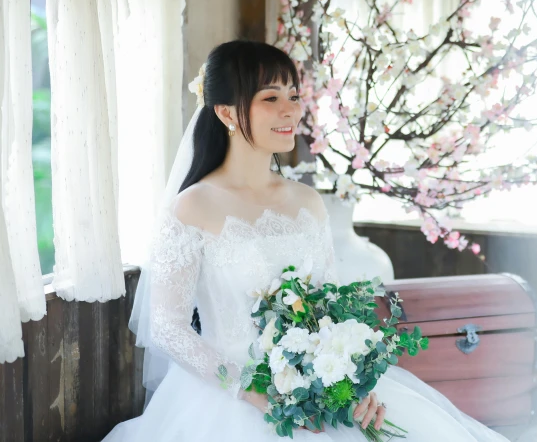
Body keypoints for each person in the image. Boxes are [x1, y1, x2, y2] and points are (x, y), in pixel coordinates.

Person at [103, 40, 510, 441]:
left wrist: (354, 385)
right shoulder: (193, 206)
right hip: (227, 400)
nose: (290, 110)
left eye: (294, 96)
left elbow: (331, 309)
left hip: (320, 394)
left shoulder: (307, 203)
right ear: (226, 112)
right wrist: (253, 390)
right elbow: (169, 327)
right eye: (270, 97)